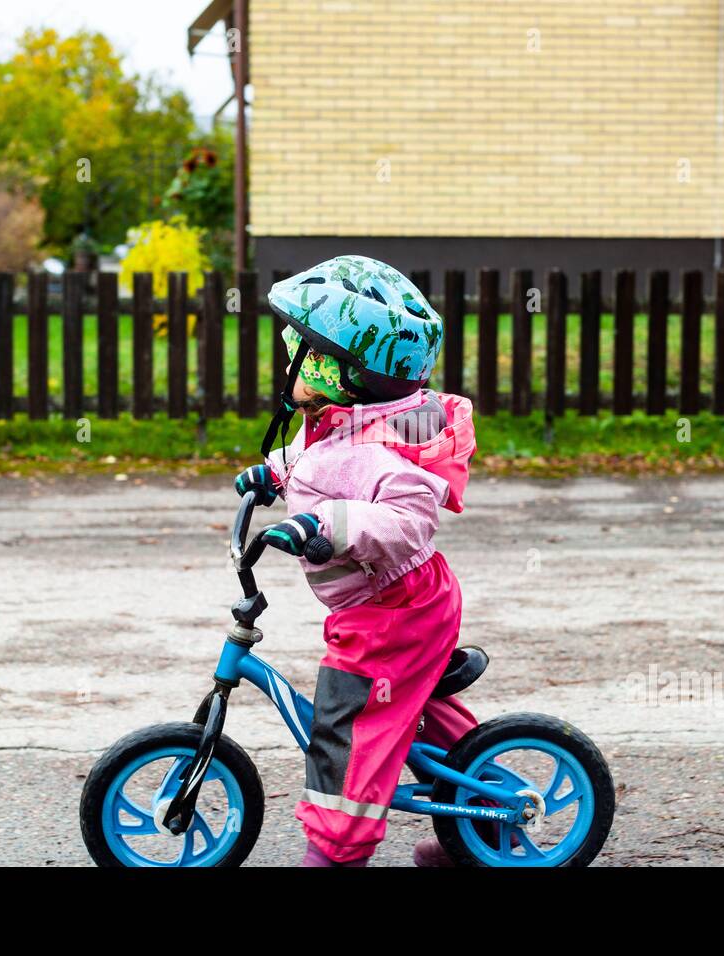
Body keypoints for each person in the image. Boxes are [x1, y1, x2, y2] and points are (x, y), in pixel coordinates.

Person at [234, 254, 478, 866]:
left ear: (340, 371)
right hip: (385, 601)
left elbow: (406, 519)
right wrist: (273, 474)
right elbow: (318, 462)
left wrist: (325, 526)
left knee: (354, 717)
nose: (287, 359)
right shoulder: (342, 423)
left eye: (299, 351)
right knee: (417, 708)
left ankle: (337, 851)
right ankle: (481, 832)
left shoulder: (388, 448)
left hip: (397, 606)